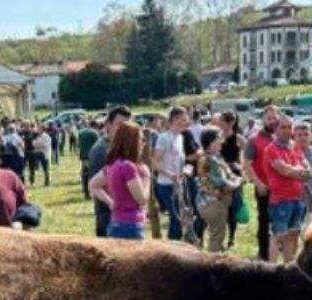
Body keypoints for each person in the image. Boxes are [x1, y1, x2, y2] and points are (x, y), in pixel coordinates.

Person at [88, 121, 151, 240]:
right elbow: (142, 199)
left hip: (116, 222)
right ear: (132, 142)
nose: (144, 144)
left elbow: (93, 185)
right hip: (130, 225)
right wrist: (146, 177)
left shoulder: (112, 165)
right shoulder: (129, 167)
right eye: (142, 140)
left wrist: (110, 202)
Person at [263, 114, 311, 263]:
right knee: (278, 235)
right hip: (280, 200)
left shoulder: (295, 146)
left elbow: (309, 170)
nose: (286, 130)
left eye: (289, 127)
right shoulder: (271, 149)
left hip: (298, 199)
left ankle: (288, 267)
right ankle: (271, 270)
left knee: (293, 235)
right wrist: (299, 171)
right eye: (282, 127)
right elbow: (284, 170)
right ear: (276, 129)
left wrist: (296, 170)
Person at [243, 105, 280, 260]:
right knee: (264, 222)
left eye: (274, 118)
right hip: (264, 188)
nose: (271, 121)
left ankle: (277, 253)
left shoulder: (281, 138)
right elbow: (246, 163)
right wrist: (257, 183)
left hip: (281, 190)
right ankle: (263, 255)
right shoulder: (254, 140)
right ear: (263, 119)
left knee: (280, 222)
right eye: (268, 118)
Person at [89, 106, 133, 237]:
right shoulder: (100, 150)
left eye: (127, 125)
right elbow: (95, 186)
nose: (124, 130)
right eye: (119, 125)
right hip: (109, 215)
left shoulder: (123, 147)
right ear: (108, 125)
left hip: (125, 214)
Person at [196, 127, 241, 252]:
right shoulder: (210, 160)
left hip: (212, 202)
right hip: (213, 202)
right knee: (216, 237)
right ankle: (213, 266)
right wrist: (237, 182)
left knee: (217, 234)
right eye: (218, 139)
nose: (221, 141)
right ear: (211, 142)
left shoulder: (213, 158)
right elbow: (221, 182)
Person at [153, 106, 189, 240]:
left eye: (186, 120)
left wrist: (184, 171)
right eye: (183, 119)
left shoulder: (181, 137)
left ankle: (177, 243)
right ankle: (172, 246)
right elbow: (154, 162)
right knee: (176, 216)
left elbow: (179, 161)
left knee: (181, 216)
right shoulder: (164, 138)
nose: (186, 122)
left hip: (179, 183)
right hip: (166, 184)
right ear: (174, 119)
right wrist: (169, 174)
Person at [216, 110, 246, 246]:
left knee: (233, 206)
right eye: (221, 121)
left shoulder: (238, 138)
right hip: (220, 173)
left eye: (223, 121)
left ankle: (232, 236)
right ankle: (221, 236)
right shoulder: (217, 137)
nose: (221, 123)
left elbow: (248, 155)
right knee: (221, 205)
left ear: (231, 122)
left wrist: (242, 167)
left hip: (234, 174)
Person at [78, 121, 100, 198]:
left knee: (85, 175)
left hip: (83, 156)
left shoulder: (81, 132)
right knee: (93, 175)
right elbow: (98, 145)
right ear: (95, 126)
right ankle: (93, 192)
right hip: (92, 157)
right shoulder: (94, 133)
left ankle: (86, 193)